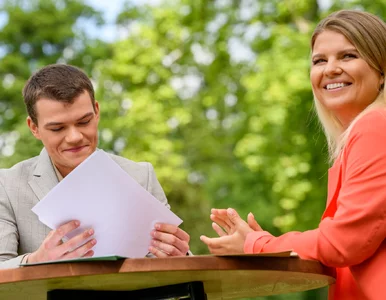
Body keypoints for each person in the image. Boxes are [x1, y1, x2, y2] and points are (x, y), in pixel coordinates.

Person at [200, 9, 386, 300]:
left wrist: (256, 244)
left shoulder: (375, 128)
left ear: (381, 69)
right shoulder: (355, 142)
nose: (331, 69)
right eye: (319, 60)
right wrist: (267, 246)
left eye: (348, 56)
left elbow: (342, 243)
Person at [0, 64, 190, 269]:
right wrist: (34, 261)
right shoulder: (8, 186)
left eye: (84, 122)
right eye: (58, 128)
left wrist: (180, 255)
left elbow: (173, 267)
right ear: (34, 128)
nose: (74, 137)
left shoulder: (141, 176)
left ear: (96, 112)